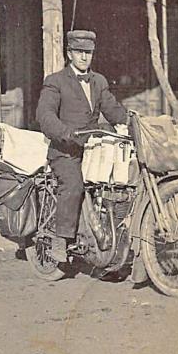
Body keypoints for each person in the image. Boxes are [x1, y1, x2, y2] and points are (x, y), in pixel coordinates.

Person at [35, 30, 128, 263]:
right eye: (79, 52)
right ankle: (60, 239)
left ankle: (109, 237)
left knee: (116, 184)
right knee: (74, 186)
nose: (84, 57)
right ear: (69, 54)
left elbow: (113, 110)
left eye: (88, 53)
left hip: (93, 150)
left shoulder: (99, 81)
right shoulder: (55, 81)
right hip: (65, 151)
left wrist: (133, 121)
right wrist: (64, 132)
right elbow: (44, 115)